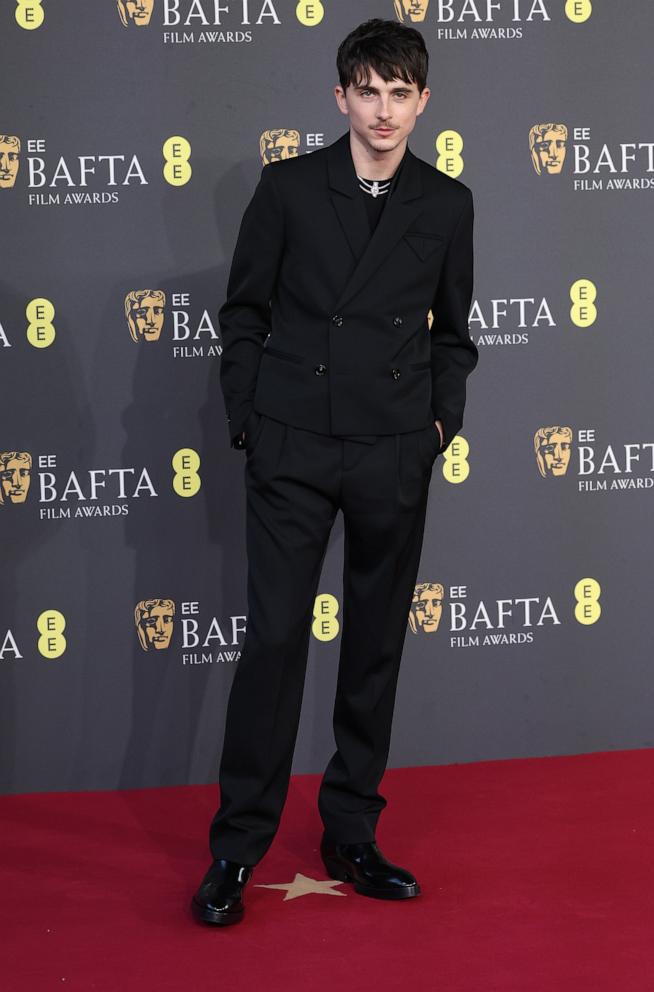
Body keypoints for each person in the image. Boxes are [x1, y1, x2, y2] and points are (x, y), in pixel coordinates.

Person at [192, 17, 479, 927]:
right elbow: (243, 313)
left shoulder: (447, 203)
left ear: (422, 102)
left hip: (394, 443)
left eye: (400, 93)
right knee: (274, 643)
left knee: (374, 646)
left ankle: (350, 832)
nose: (384, 109)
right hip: (293, 445)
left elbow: (453, 335)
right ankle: (237, 849)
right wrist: (251, 419)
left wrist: (437, 422)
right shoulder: (286, 190)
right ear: (341, 95)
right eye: (368, 90)